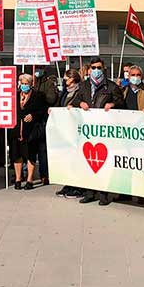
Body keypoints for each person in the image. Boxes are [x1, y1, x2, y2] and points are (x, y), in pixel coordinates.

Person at [75, 57, 123, 206]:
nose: (96, 70)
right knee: (88, 161)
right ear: (89, 69)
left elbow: (121, 103)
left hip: (104, 130)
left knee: (104, 163)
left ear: (103, 69)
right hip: (88, 131)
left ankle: (104, 194)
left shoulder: (111, 87)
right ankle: (90, 193)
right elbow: (75, 100)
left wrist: (113, 104)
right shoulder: (83, 86)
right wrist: (79, 103)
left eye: (99, 68)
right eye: (93, 67)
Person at [10, 74, 48, 190]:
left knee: (30, 154)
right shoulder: (14, 96)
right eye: (22, 83)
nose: (24, 86)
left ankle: (30, 179)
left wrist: (33, 115)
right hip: (16, 129)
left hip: (31, 130)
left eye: (26, 83)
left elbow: (42, 111)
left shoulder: (38, 96)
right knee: (17, 155)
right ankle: (18, 178)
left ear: (31, 84)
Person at [55, 69, 83, 198]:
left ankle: (77, 186)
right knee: (67, 158)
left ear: (73, 78)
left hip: (76, 129)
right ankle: (68, 183)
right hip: (65, 129)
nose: (65, 80)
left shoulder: (80, 91)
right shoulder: (65, 92)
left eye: (67, 77)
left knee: (76, 158)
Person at [33, 66, 57, 185]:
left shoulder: (48, 84)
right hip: (31, 120)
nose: (37, 71)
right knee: (30, 149)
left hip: (43, 120)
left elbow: (51, 99)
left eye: (39, 69)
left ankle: (44, 175)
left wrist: (40, 95)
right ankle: (26, 174)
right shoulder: (32, 81)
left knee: (42, 150)